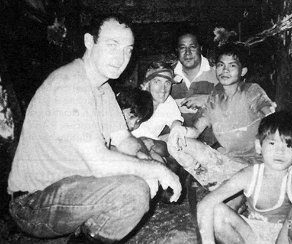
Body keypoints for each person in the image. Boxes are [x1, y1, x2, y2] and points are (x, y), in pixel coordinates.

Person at [7, 13, 181, 243]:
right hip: (33, 201)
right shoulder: (70, 84)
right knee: (133, 192)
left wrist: (147, 159)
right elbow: (99, 162)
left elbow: (124, 139)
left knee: (142, 172)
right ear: (89, 42)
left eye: (128, 50)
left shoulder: (102, 88)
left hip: (71, 187)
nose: (121, 58)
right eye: (112, 45)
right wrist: (156, 171)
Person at [196, 111, 292, 244]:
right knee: (217, 210)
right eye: (272, 143)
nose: (280, 151)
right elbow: (205, 204)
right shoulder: (249, 175)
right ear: (259, 146)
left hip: (284, 237)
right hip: (251, 237)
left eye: (289, 145)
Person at [168, 43, 275, 190]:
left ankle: (232, 188)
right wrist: (181, 131)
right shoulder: (215, 95)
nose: (225, 70)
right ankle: (211, 181)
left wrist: (263, 139)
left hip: (255, 163)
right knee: (177, 142)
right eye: (220, 65)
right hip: (227, 161)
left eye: (232, 66)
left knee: (228, 205)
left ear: (243, 71)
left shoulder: (251, 91)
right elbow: (196, 129)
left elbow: (273, 119)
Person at [171, 27, 219, 145]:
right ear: (177, 50)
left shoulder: (218, 73)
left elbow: (236, 104)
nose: (187, 53)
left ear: (200, 48)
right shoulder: (167, 77)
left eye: (192, 47)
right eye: (183, 48)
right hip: (177, 144)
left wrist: (208, 99)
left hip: (214, 146)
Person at [132, 61, 184, 141]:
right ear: (147, 83)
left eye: (167, 83)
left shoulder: (168, 101)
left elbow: (176, 120)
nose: (163, 89)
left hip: (151, 143)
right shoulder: (135, 100)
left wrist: (176, 129)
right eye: (157, 82)